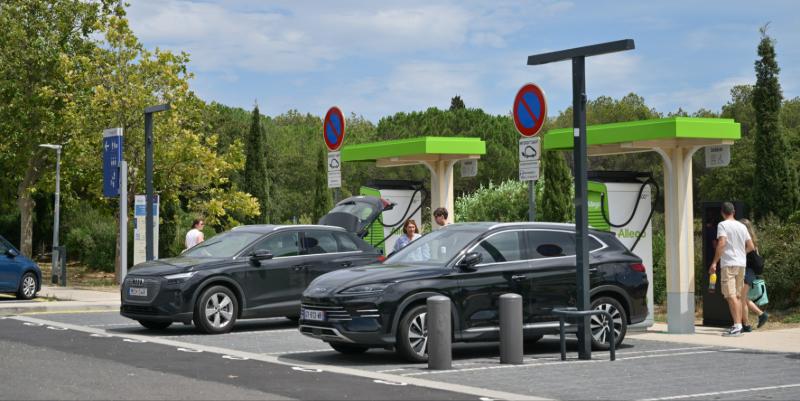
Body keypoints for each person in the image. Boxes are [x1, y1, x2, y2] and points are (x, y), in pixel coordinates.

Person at [708, 202, 754, 337]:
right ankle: (738, 325)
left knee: (730, 295)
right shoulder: (742, 226)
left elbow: (722, 243)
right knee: (738, 296)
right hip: (741, 264)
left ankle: (737, 326)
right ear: (733, 211)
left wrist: (714, 263)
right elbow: (750, 246)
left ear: (722, 213)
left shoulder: (722, 225)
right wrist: (740, 254)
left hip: (728, 264)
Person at [740, 218, 769, 331]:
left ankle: (746, 325)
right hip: (751, 271)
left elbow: (749, 251)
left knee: (742, 298)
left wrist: (740, 254)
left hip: (748, 271)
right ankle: (761, 315)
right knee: (744, 298)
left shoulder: (748, 241)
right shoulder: (753, 239)